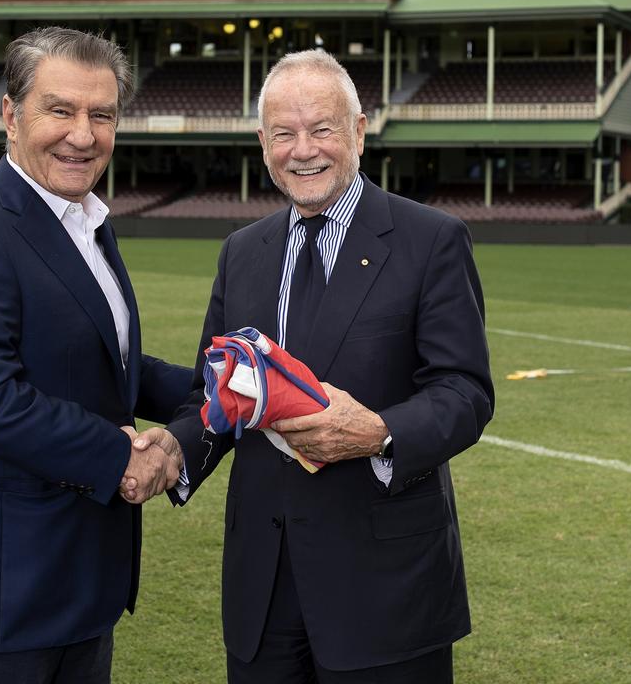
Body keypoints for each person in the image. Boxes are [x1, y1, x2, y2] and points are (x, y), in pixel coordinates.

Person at [133, 50, 495, 683]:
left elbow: (464, 391)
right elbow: (218, 394)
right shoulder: (241, 252)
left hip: (385, 587)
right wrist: (176, 450)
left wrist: (381, 432)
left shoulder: (430, 240)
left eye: (322, 128)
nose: (303, 150)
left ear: (358, 131)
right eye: (284, 133)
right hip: (262, 587)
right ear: (261, 142)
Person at [0, 26, 190, 684]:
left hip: (76, 587)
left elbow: (102, 365)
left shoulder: (84, 222)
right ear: (9, 114)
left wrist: (212, 387)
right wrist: (121, 457)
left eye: (102, 114)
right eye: (61, 109)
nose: (83, 135)